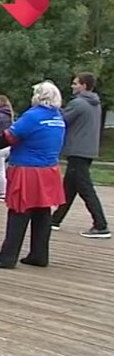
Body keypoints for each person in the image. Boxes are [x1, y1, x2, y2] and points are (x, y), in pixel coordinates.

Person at [0, 81, 66, 269]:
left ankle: (7, 257)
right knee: (42, 212)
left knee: (19, 211)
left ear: (39, 96)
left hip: (27, 169)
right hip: (49, 169)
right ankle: (39, 255)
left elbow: (8, 137)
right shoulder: (58, 117)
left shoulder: (32, 116)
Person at [51, 72, 110, 238]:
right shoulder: (95, 103)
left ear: (83, 85)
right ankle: (55, 220)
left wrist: (52, 107)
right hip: (87, 150)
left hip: (77, 150)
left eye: (75, 83)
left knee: (85, 188)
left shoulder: (78, 103)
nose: (72, 86)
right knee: (70, 187)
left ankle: (101, 225)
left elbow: (61, 120)